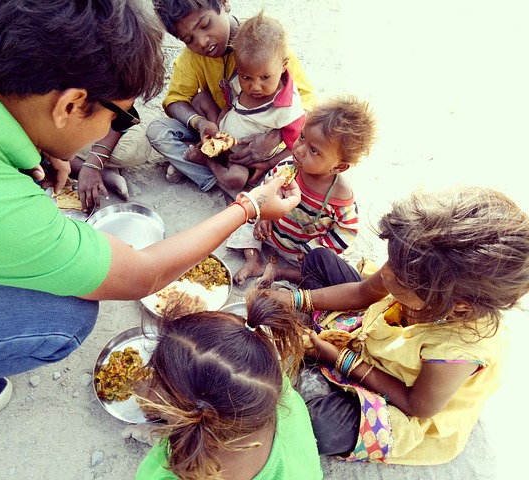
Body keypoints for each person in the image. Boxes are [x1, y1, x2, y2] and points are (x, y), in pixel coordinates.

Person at [0, 0, 300, 424]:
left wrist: (28, 144)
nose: (113, 128)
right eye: (118, 114)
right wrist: (250, 204)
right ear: (70, 105)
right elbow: (140, 274)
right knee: (63, 317)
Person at [268, 187, 529, 464]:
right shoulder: (413, 269)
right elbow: (363, 292)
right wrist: (293, 299)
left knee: (322, 426)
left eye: (400, 279)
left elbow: (416, 405)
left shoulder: (457, 350)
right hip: (368, 331)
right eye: (391, 261)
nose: (387, 273)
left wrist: (338, 358)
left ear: (459, 305)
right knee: (319, 260)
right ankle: (318, 359)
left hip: (399, 395)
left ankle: (320, 371)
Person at [134, 290, 323, 479]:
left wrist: (154, 400)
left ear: (190, 421)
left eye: (159, 384)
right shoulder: (271, 390)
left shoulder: (167, 474)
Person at [147, 0, 315, 193]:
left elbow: (307, 103)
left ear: (224, 3)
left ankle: (198, 165)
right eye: (188, 39)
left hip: (253, 144)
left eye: (205, 25)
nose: (201, 42)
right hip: (217, 127)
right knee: (157, 130)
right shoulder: (191, 57)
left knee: (292, 178)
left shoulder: (266, 45)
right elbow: (175, 99)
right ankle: (223, 180)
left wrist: (275, 137)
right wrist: (201, 123)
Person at [227, 96, 376, 287]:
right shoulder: (288, 166)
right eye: (302, 137)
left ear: (339, 167)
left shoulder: (340, 197)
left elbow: (347, 231)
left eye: (314, 150)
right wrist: (264, 217)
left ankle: (280, 272)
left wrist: (310, 249)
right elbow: (266, 190)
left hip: (298, 251)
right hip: (271, 232)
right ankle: (253, 261)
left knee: (317, 270)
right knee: (244, 220)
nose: (299, 150)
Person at [182, 11, 306, 193]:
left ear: (284, 65)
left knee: (236, 180)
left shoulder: (288, 108)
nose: (255, 86)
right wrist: (214, 132)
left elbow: (294, 146)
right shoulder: (240, 80)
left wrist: (268, 164)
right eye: (246, 77)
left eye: (265, 77)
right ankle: (206, 153)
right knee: (201, 98)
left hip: (240, 157)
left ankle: (206, 162)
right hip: (222, 135)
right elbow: (229, 105)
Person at [69, 110, 152, 207]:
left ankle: (96, 163)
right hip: (61, 134)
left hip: (100, 125)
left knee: (136, 146)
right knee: (51, 153)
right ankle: (105, 174)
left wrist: (93, 165)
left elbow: (120, 116)